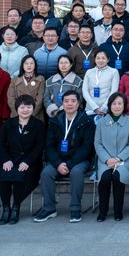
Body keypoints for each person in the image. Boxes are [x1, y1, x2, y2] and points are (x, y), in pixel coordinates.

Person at [34, 90, 95, 223]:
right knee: (46, 173)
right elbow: (49, 146)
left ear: (79, 104)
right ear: (62, 103)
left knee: (76, 173)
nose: (69, 104)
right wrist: (58, 163)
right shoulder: (55, 121)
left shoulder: (87, 121)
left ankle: (75, 208)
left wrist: (70, 164)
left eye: (73, 101)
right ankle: (49, 208)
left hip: (79, 160)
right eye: (66, 101)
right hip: (59, 160)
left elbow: (86, 148)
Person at [0, 94, 46, 225]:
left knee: (20, 176)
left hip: (30, 162)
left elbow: (39, 146)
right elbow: (0, 144)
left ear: (33, 108)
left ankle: (16, 207)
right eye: (22, 107)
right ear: (17, 108)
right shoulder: (8, 124)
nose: (25, 110)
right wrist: (6, 159)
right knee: (4, 176)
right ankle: (6, 208)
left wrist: (27, 161)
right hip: (10, 160)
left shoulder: (39, 125)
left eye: (29, 107)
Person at [94, 92, 129, 222]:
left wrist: (118, 158)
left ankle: (118, 211)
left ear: (124, 105)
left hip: (125, 160)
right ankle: (103, 211)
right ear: (110, 105)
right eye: (114, 104)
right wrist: (107, 159)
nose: (117, 106)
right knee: (105, 178)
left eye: (120, 103)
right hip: (105, 161)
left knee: (118, 177)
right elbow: (97, 143)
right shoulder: (101, 122)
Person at [6, 55, 45, 123]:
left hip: (35, 116)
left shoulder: (40, 79)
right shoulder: (14, 80)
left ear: (35, 65)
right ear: (22, 65)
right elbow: (11, 99)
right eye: (26, 63)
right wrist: (20, 114)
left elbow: (40, 100)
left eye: (31, 63)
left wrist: (29, 114)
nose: (29, 65)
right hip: (17, 115)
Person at [82, 50, 121, 118]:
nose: (100, 60)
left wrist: (104, 107)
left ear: (108, 60)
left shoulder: (114, 72)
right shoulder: (89, 72)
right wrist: (95, 107)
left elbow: (114, 91)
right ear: (95, 60)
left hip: (107, 110)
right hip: (91, 109)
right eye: (98, 58)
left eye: (103, 58)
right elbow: (85, 91)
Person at [43, 55, 83, 119]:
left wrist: (64, 110)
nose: (63, 65)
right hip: (53, 114)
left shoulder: (78, 81)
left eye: (66, 63)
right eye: (61, 63)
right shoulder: (50, 81)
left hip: (71, 114)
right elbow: (46, 98)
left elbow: (79, 99)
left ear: (71, 65)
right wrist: (53, 110)